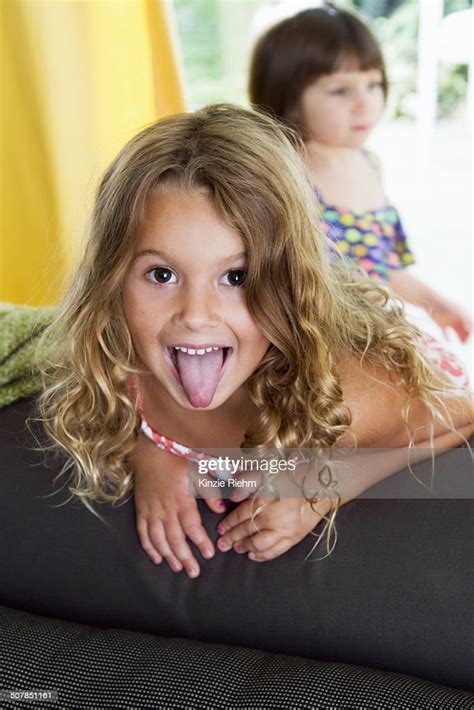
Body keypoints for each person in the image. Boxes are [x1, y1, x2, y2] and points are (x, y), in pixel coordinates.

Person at [37, 105, 473, 582]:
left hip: (407, 354)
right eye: (161, 274)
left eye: (236, 276)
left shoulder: (341, 396)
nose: (197, 315)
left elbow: (459, 414)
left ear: (285, 285)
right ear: (112, 281)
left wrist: (322, 487)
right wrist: (152, 452)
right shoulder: (121, 363)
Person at [248, 3, 472, 343]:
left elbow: (383, 267)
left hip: (377, 332)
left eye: (373, 84)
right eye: (341, 90)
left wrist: (436, 304)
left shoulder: (368, 162)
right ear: (287, 96)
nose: (365, 103)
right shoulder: (286, 174)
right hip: (322, 344)